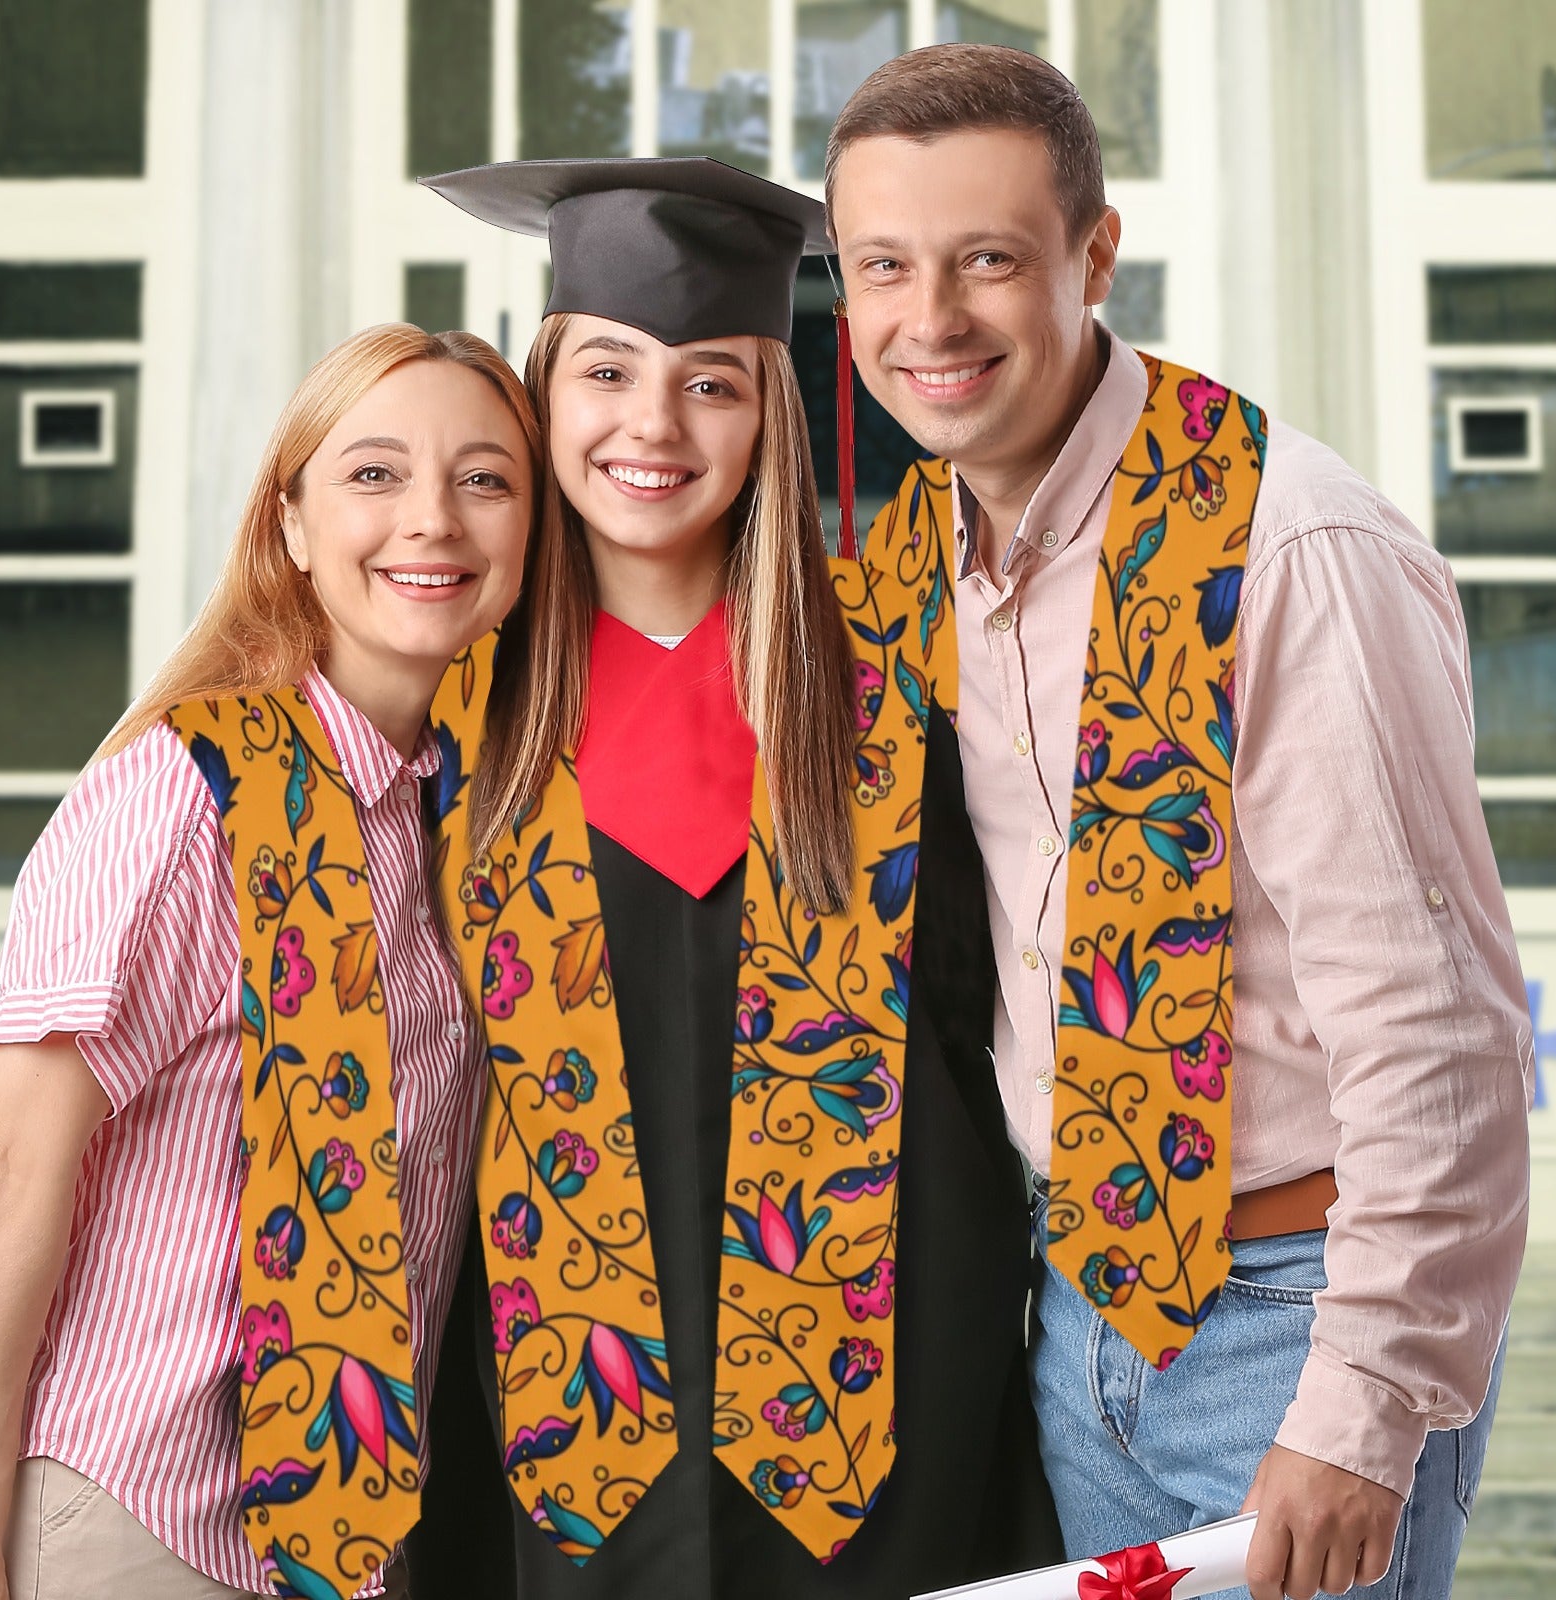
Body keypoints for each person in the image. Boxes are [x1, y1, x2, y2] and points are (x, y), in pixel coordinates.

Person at [824, 43, 1533, 1600]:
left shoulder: (1289, 550)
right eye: (885, 266)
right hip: (1076, 1315)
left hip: (1295, 1320)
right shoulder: (919, 555)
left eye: (988, 260)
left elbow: (1444, 1034)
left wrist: (1362, 1411)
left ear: (1094, 256)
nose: (928, 320)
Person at [402, 157, 1058, 1600]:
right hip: (539, 1411)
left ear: (771, 414)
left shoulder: (897, 688)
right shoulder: (442, 705)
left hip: (876, 1406)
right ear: (540, 393)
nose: (654, 425)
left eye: (712, 382)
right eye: (609, 373)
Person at [0, 324, 540, 1600]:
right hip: (135, 1517)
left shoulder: (450, 820)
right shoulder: (181, 795)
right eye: (374, 474)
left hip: (343, 1540)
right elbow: (8, 1169)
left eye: (485, 478)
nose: (432, 521)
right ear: (288, 525)